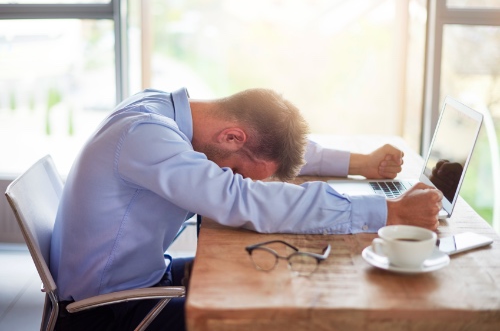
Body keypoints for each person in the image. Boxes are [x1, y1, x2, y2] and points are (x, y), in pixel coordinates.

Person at [50, 88, 443, 331]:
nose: (232, 176)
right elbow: (241, 198)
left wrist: (359, 163)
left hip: (139, 278)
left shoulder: (167, 112)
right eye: (234, 171)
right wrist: (389, 213)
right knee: (274, 315)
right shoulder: (146, 135)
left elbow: (261, 153)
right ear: (232, 135)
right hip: (105, 314)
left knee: (268, 274)